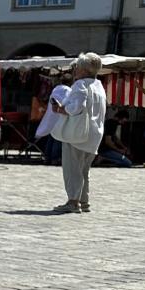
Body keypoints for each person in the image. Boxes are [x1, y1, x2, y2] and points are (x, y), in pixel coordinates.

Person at [51, 53, 107, 214]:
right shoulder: (99, 86)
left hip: (78, 133)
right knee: (84, 170)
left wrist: (61, 109)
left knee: (72, 168)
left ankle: (73, 202)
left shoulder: (80, 84)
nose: (75, 70)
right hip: (95, 134)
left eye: (77, 67)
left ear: (83, 70)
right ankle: (84, 201)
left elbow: (77, 107)